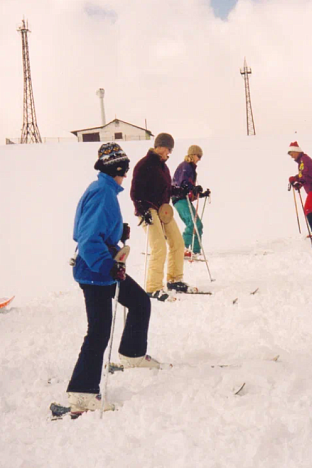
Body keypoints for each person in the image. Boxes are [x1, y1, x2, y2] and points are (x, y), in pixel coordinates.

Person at [67, 142, 161, 414]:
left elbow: (98, 228)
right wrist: (107, 265)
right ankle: (82, 392)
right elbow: (87, 238)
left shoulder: (104, 189)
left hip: (105, 267)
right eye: (125, 169)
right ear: (117, 168)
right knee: (98, 331)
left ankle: (132, 354)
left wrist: (119, 231)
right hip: (96, 271)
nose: (127, 174)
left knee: (140, 302)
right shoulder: (102, 194)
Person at [130, 133, 191, 300]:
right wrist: (142, 211)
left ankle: (174, 279)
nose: (169, 153)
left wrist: (179, 191)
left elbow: (167, 190)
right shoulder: (144, 165)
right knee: (159, 247)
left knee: (178, 243)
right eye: (168, 149)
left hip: (163, 209)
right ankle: (153, 287)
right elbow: (135, 192)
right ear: (161, 146)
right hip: (148, 210)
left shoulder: (164, 167)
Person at [172, 145, 210, 260]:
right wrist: (192, 188)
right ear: (193, 155)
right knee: (193, 223)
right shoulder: (186, 166)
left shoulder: (191, 168)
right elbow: (183, 183)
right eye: (199, 156)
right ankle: (182, 248)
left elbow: (189, 188)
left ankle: (195, 250)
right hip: (179, 199)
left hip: (184, 199)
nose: (199, 159)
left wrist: (200, 194)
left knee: (198, 224)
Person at [287, 141, 312, 237]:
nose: (291, 156)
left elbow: (307, 175)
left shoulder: (305, 160)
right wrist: (295, 178)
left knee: (309, 209)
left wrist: (299, 182)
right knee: (310, 209)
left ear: (296, 151)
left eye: (292, 154)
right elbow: (303, 174)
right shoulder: (302, 161)